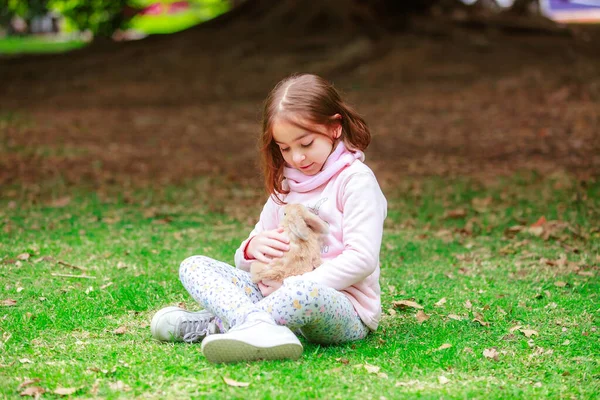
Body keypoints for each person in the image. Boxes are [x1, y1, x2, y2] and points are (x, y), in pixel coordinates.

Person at [150, 73, 387, 363]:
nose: (297, 158)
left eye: (306, 143)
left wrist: (294, 287)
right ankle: (258, 326)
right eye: (285, 148)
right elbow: (246, 261)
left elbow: (361, 260)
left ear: (334, 127)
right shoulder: (286, 187)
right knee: (193, 265)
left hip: (341, 308)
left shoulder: (354, 181)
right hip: (272, 296)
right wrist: (251, 248)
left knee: (304, 291)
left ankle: (219, 325)